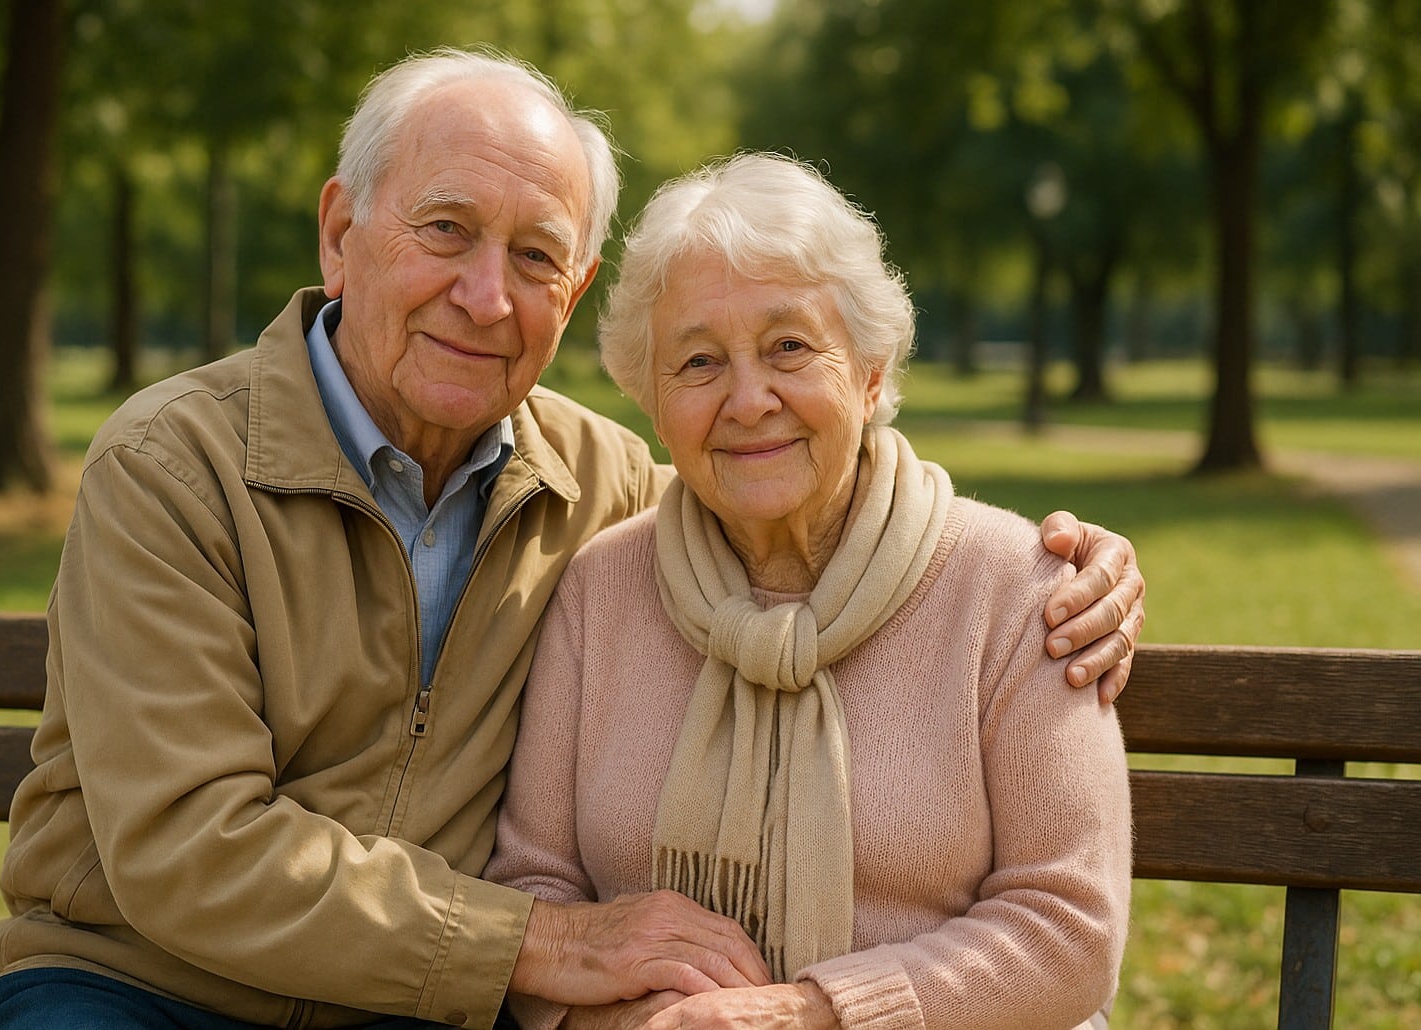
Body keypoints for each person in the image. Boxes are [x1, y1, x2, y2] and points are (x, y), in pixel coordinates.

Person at [0, 49, 1142, 1030]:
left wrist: (1076, 566)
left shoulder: (605, 488)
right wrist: (542, 943)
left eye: (534, 256)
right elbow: (189, 847)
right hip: (140, 984)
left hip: (405, 1006)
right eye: (446, 230)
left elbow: (793, 489)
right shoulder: (172, 469)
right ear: (340, 232)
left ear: (571, 295)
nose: (487, 295)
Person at [484, 153, 1132, 1030]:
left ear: (870, 373)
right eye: (699, 362)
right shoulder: (600, 591)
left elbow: (1069, 930)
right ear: (653, 404)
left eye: (789, 347)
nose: (749, 400)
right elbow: (535, 889)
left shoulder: (1019, 590)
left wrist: (803, 1016)